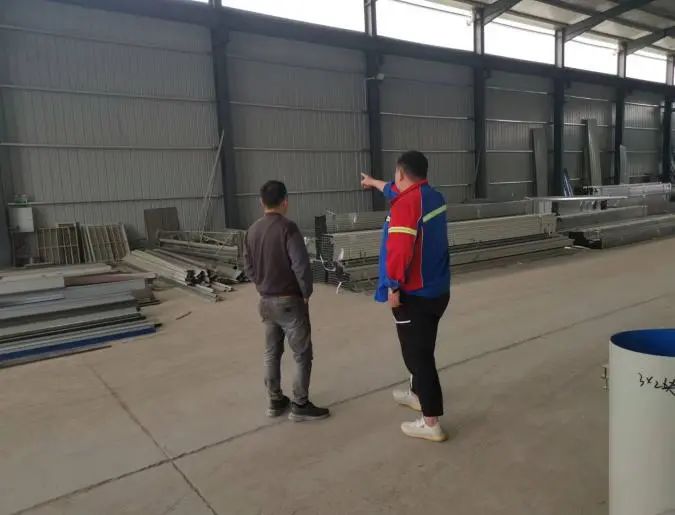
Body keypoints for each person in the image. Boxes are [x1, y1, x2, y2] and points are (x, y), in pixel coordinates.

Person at [361, 151, 450, 442]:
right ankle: (416, 393)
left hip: (414, 295)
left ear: (401, 173)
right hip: (437, 290)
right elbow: (392, 189)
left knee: (418, 356)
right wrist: (373, 182)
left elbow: (399, 250)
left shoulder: (406, 205)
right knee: (423, 347)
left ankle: (430, 421)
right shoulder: (432, 197)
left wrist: (393, 287)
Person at [244, 180, 330, 422]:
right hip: (290, 301)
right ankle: (300, 404)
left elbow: (247, 266)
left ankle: (275, 400)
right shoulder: (288, 228)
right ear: (285, 202)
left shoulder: (252, 230)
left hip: (266, 301)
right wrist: (306, 292)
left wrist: (262, 284)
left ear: (261, 202)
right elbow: (300, 265)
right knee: (301, 354)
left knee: (271, 353)